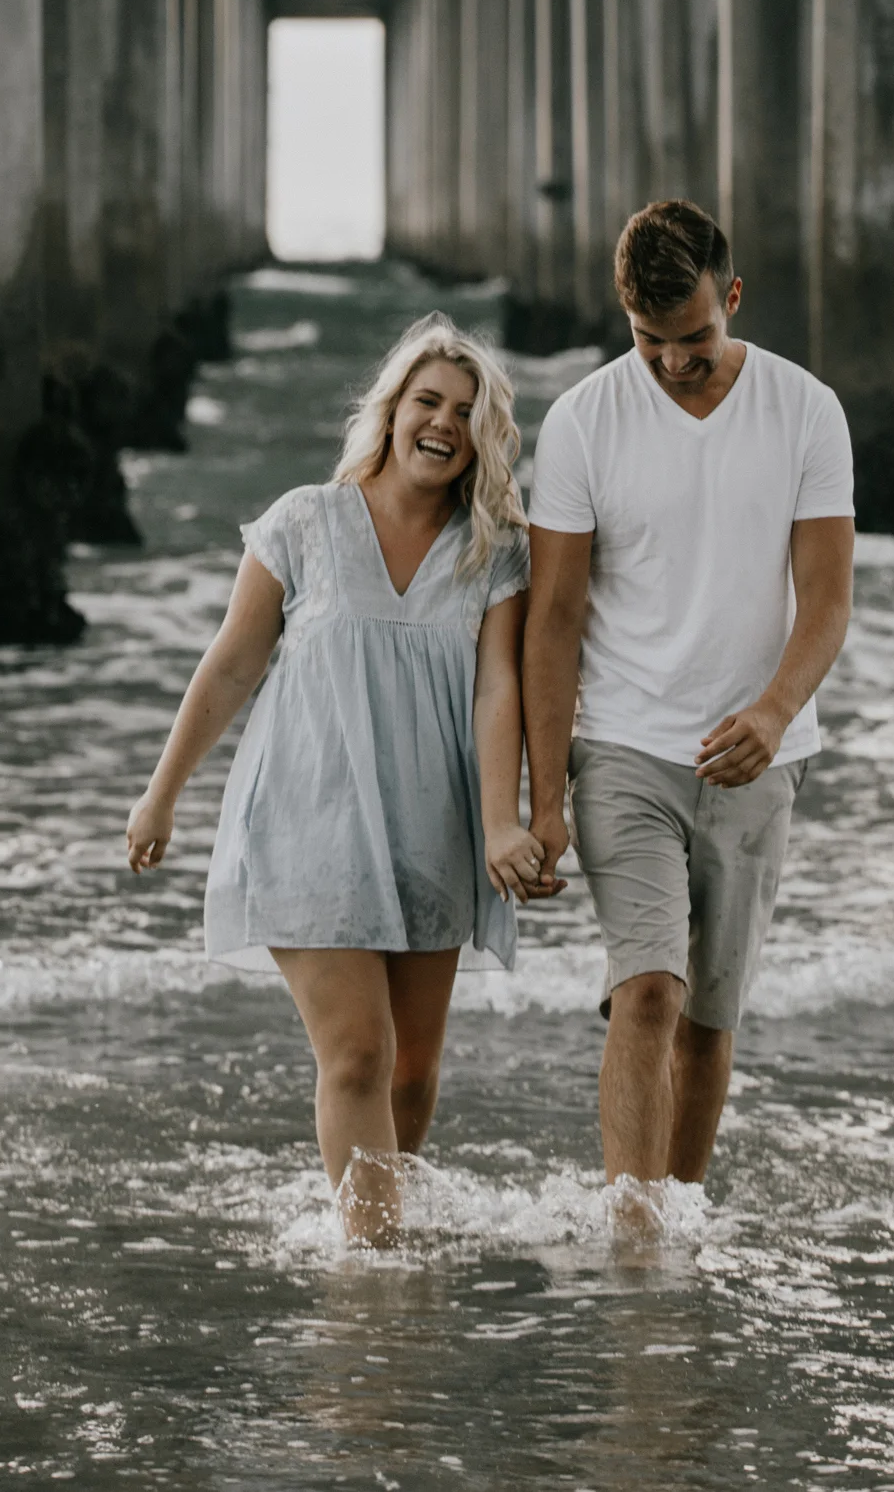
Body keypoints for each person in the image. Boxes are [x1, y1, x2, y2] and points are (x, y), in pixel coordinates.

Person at [125, 316, 546, 1244]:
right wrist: (164, 793)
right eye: (427, 401)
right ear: (390, 410)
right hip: (307, 820)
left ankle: (379, 1226)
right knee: (358, 1058)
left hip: (433, 826)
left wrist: (503, 822)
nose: (443, 424)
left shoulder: (496, 550)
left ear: (487, 436)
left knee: (410, 1075)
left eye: (468, 413)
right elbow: (232, 662)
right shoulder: (303, 522)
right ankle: (372, 1267)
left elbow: (499, 689)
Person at [523, 199, 855, 1212]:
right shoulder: (583, 420)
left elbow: (828, 599)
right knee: (650, 990)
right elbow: (552, 621)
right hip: (623, 746)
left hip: (757, 757)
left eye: (694, 337)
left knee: (709, 1020)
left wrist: (772, 711)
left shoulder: (805, 410)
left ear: (734, 297)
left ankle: (680, 1213)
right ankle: (633, 1227)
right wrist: (545, 799)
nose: (672, 361)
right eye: (648, 340)